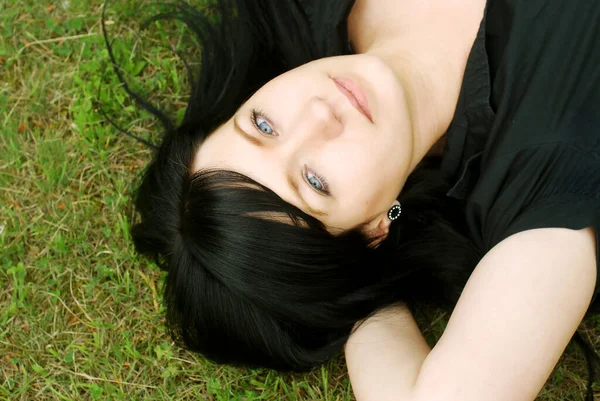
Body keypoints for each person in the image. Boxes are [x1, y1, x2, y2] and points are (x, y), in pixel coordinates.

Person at [102, 0, 600, 399]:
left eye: (262, 124)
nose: (319, 115)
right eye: (315, 182)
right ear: (374, 229)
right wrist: (355, 296)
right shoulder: (538, 175)